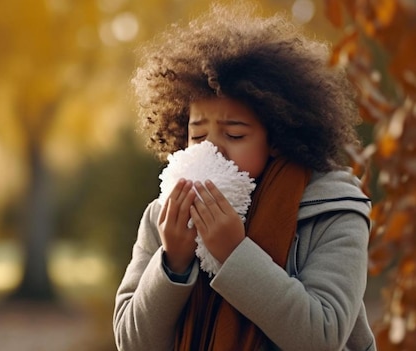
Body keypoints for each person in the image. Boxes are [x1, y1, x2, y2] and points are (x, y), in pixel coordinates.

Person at [113, 3, 376, 351]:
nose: (214, 150)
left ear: (277, 139)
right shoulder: (165, 216)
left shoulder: (334, 209)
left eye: (234, 135)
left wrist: (234, 254)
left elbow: (322, 336)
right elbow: (133, 343)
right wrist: (172, 263)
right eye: (198, 135)